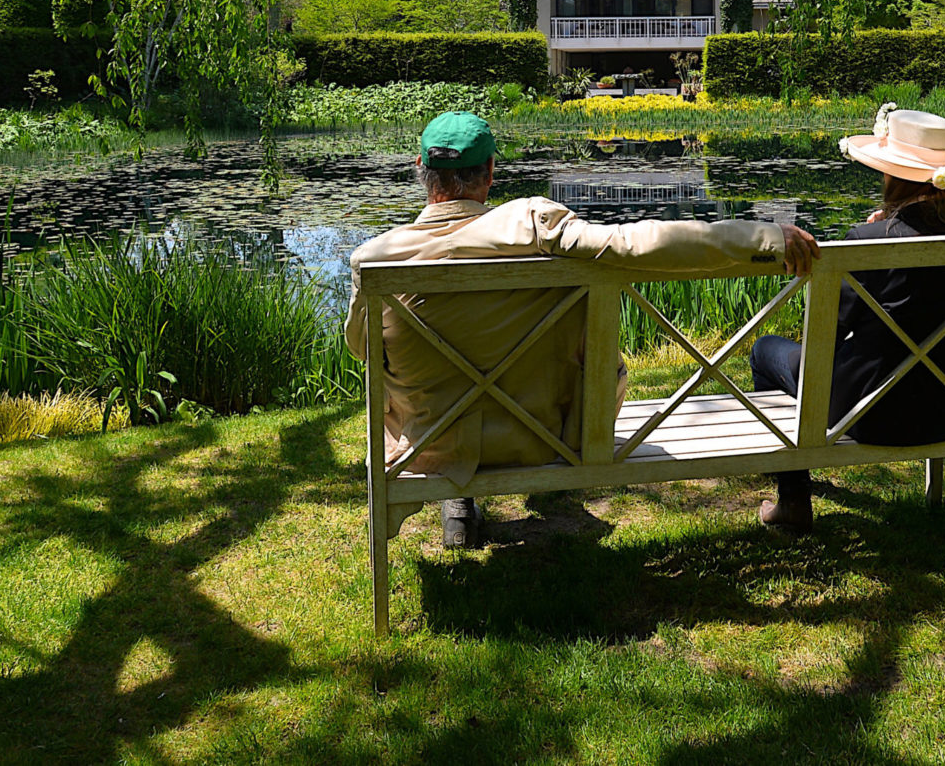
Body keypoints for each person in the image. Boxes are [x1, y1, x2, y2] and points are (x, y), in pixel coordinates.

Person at [346, 110, 820, 549]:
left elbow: (362, 352)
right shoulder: (531, 225)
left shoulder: (374, 260)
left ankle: (460, 501)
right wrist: (763, 236)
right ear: (491, 173)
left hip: (433, 448)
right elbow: (637, 243)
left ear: (420, 170)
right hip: (547, 438)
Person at [748, 105, 945, 533]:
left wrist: (878, 233)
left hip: (867, 413)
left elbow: (826, 333)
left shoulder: (866, 240)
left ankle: (793, 500)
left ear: (891, 173)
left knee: (765, 351)